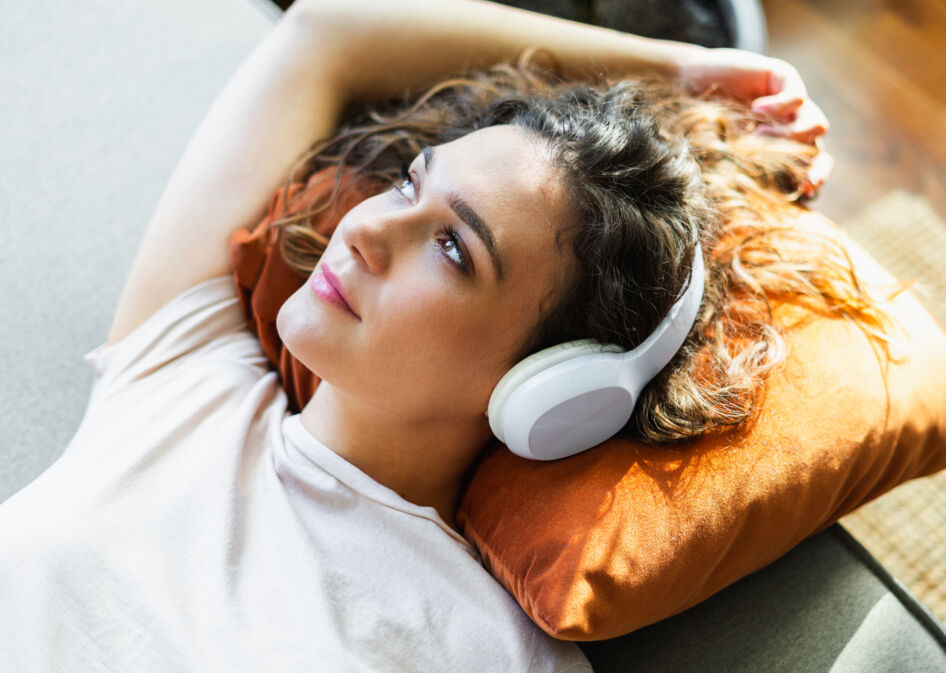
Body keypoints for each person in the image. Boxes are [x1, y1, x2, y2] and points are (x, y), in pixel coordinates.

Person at [0, 0, 890, 670]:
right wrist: (681, 67)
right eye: (408, 185)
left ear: (556, 389)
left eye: (454, 248)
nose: (365, 230)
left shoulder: (488, 647)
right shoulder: (186, 371)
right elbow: (325, 30)